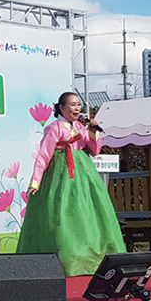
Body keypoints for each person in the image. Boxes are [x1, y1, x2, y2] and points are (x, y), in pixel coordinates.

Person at [17, 92, 125, 276]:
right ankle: (67, 258)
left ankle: (91, 257)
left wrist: (92, 132)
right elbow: (43, 155)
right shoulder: (54, 128)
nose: (77, 108)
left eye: (78, 105)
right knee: (63, 214)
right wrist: (35, 181)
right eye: (73, 105)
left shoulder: (81, 128)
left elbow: (94, 151)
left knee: (88, 213)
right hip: (61, 173)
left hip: (84, 174)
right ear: (61, 108)